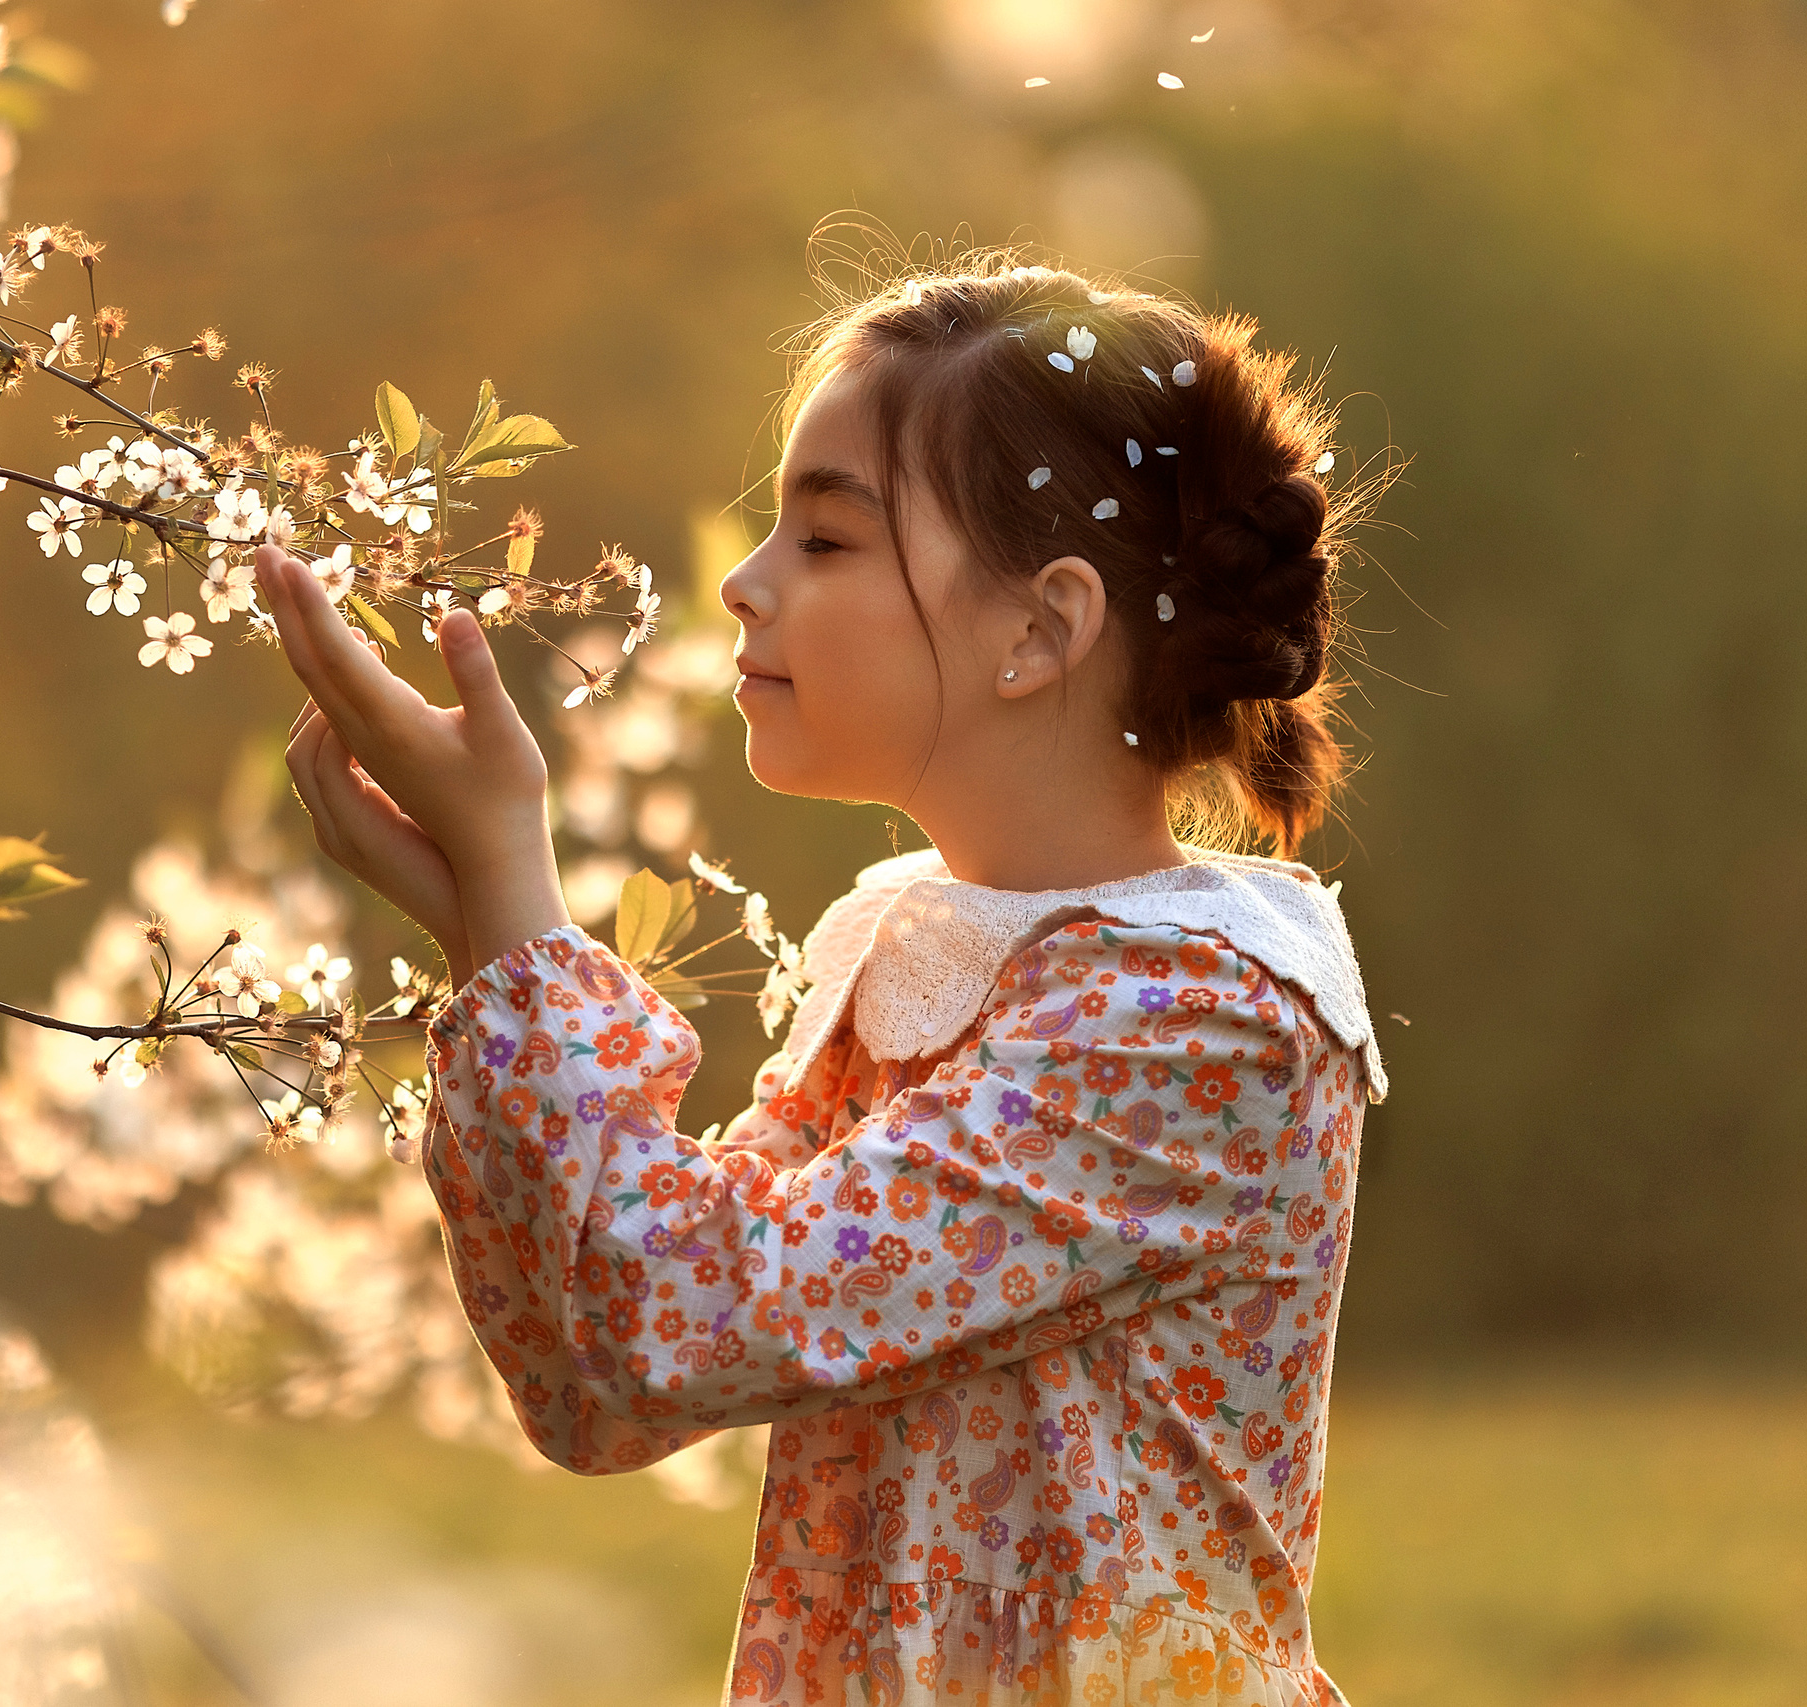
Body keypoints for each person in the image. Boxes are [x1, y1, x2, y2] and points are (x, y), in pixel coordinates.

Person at [257, 251, 1389, 1707]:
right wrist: (484, 925)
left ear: (1039, 629)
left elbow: (687, 1312)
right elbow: (601, 1371)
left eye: (827, 542)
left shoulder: (1192, 1020)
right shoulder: (903, 949)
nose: (742, 585)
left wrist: (518, 898)